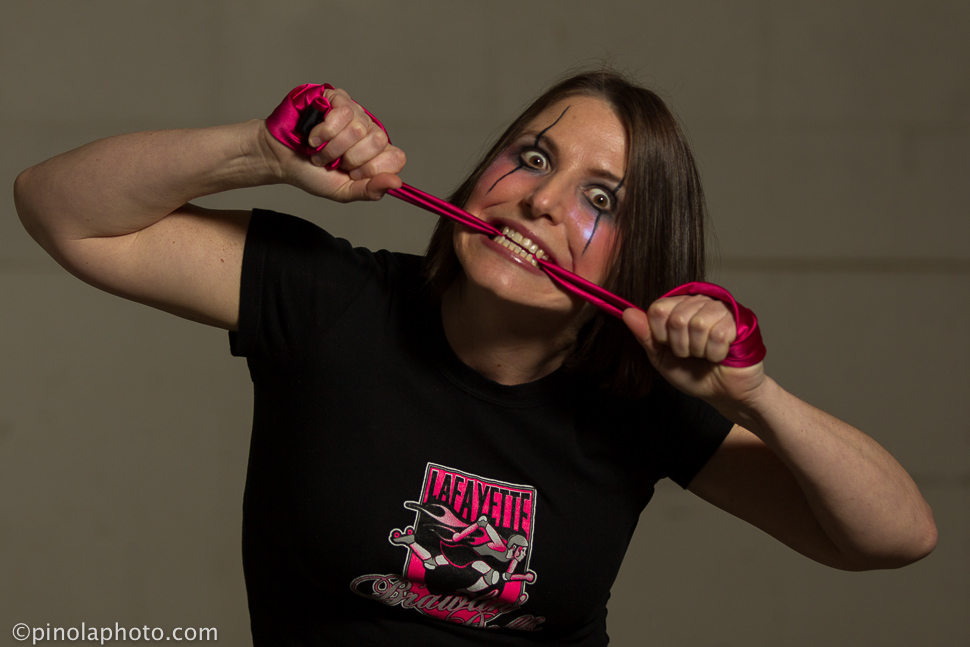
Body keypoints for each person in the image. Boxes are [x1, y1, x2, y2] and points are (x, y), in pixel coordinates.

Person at [14, 70, 936, 645]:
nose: (541, 201)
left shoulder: (639, 395)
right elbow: (57, 209)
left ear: (641, 261)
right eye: (532, 156)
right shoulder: (334, 300)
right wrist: (259, 150)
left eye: (601, 200)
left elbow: (896, 537)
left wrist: (757, 395)